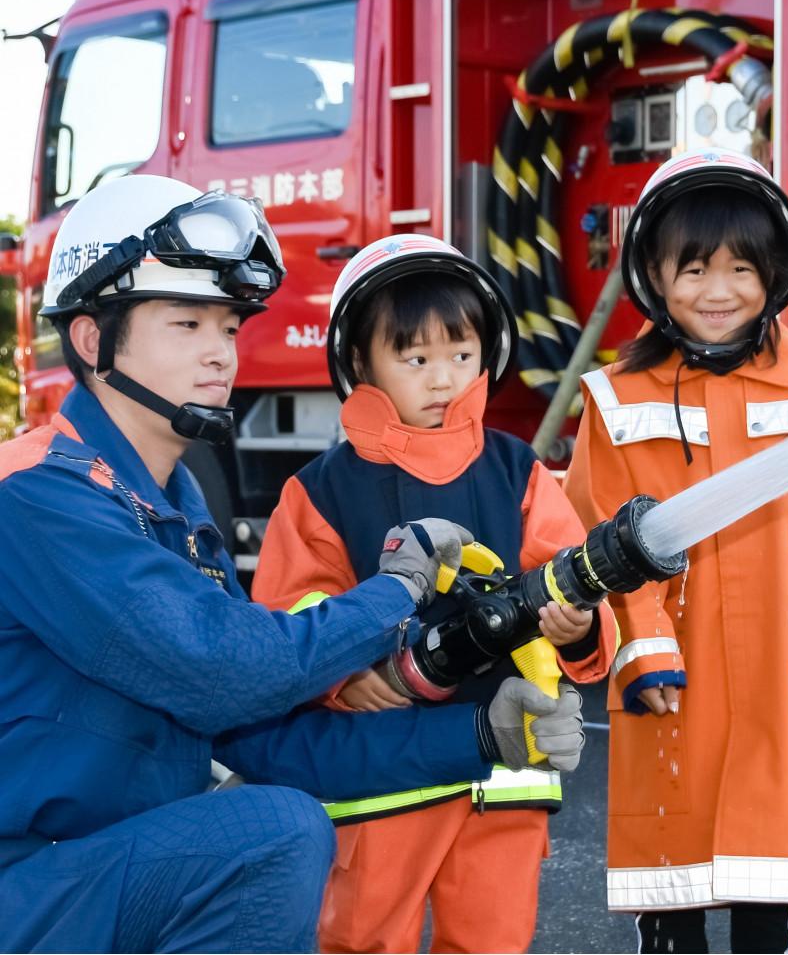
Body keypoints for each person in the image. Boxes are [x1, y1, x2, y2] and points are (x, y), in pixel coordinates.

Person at [0, 177, 585, 954]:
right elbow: (224, 670)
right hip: (31, 887)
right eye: (186, 323)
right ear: (90, 340)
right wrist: (396, 591)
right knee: (273, 833)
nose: (220, 353)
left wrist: (487, 734)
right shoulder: (39, 494)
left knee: (276, 817)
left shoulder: (174, 513)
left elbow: (272, 743)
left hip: (100, 880)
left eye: (230, 326)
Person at [562, 148, 788, 955]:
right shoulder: (617, 399)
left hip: (782, 688)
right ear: (651, 273)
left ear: (776, 273)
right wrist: (642, 645)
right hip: (674, 693)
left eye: (742, 270)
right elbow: (596, 532)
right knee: (669, 899)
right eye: (694, 270)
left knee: (770, 896)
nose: (718, 293)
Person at [253, 233, 617, 953]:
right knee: (362, 940)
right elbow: (288, 620)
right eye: (415, 358)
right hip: (382, 781)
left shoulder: (519, 473)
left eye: (460, 353)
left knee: (492, 942)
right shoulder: (320, 493)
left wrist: (578, 629)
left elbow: (568, 576)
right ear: (360, 360)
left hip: (506, 781)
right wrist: (346, 677)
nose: (443, 378)